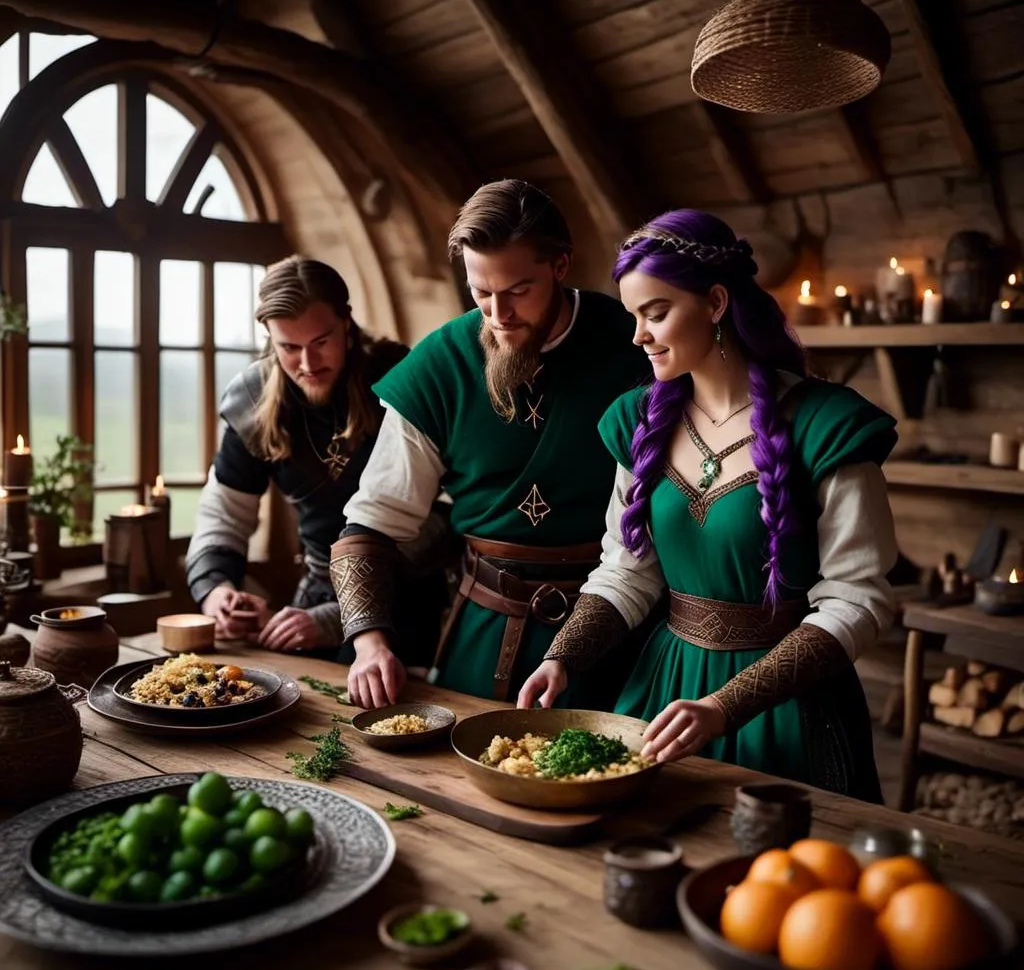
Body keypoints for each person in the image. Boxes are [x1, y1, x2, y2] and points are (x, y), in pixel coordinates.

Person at [517, 209, 899, 802]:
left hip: (786, 706)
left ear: (716, 302)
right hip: (665, 691)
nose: (638, 336)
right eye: (633, 316)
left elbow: (859, 600)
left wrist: (725, 706)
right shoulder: (639, 421)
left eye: (656, 312)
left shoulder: (829, 427)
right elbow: (626, 568)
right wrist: (564, 655)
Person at [331, 179, 654, 710]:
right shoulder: (440, 365)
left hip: (624, 628)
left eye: (518, 290)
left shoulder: (637, 345)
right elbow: (370, 525)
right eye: (481, 293)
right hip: (484, 631)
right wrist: (369, 643)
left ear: (560, 266)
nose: (498, 314)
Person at [185, 255, 448, 663]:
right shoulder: (252, 401)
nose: (307, 365)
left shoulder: (401, 379)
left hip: (408, 600)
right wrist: (215, 590)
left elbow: (445, 514)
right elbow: (224, 513)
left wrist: (342, 616)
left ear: (346, 321)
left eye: (320, 342)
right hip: (316, 596)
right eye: (288, 347)